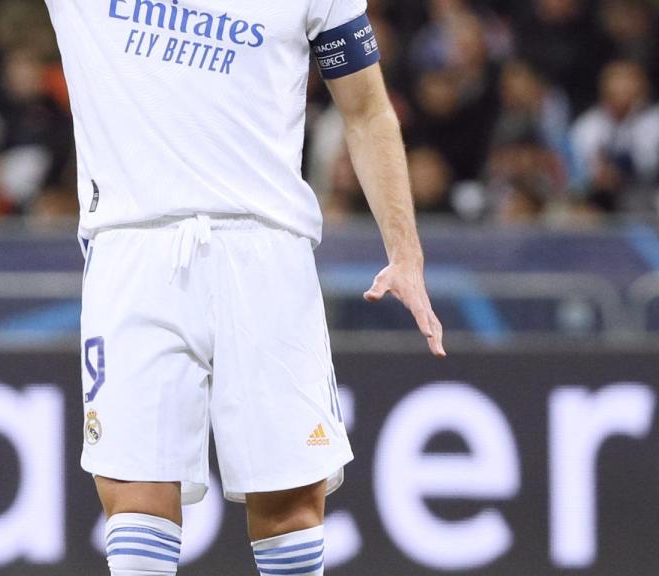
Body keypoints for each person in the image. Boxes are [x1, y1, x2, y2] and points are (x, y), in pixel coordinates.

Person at [44, 1, 446, 575]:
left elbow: (366, 110)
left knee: (290, 509)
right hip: (134, 243)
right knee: (137, 500)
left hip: (268, 249)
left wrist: (405, 252)